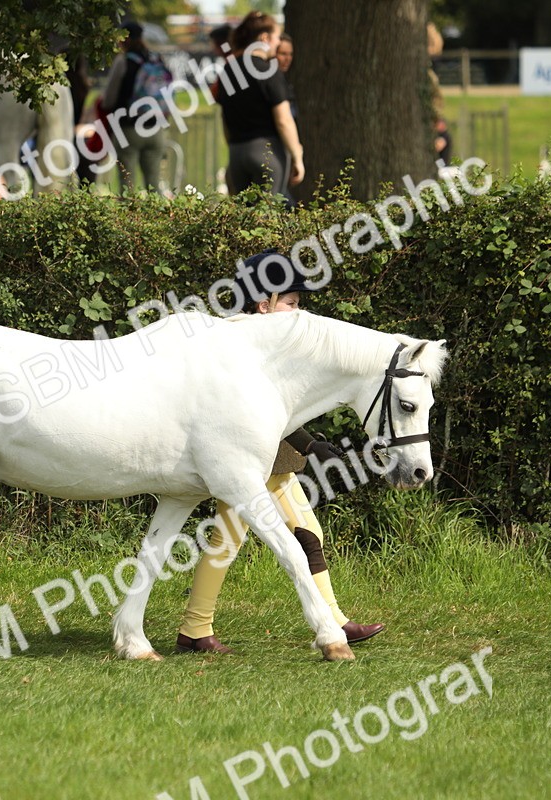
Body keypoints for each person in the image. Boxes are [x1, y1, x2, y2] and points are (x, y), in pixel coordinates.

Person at [176, 250, 386, 654]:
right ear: (263, 304)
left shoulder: (276, 346)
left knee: (305, 532)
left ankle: (334, 621)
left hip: (274, 462)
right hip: (246, 462)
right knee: (229, 538)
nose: (296, 312)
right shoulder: (238, 346)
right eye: (290, 304)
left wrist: (310, 444)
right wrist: (309, 444)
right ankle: (195, 629)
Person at [217, 12, 304, 199]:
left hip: (236, 153)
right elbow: (283, 120)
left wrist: (234, 146)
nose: (277, 44)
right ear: (264, 38)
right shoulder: (268, 71)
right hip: (266, 152)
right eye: (276, 38)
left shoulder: (228, 70)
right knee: (269, 216)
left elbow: (224, 116)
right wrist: (297, 155)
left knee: (243, 220)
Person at [101, 21, 170, 193]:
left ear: (124, 39)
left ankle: (129, 219)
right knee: (154, 184)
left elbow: (108, 100)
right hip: (156, 128)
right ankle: (158, 218)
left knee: (128, 185)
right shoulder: (156, 59)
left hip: (128, 129)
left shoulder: (123, 62)